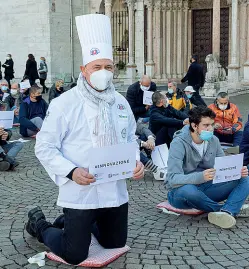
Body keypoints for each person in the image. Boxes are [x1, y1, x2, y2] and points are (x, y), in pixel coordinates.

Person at [25, 14, 144, 266]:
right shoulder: (64, 104)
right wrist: (71, 172)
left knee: (115, 243)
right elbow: (44, 146)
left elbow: (130, 138)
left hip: (113, 189)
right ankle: (41, 226)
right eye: (96, 67)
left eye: (108, 67)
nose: (104, 73)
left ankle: (73, 225)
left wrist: (136, 161)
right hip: (81, 188)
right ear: (84, 70)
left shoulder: (120, 102)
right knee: (75, 253)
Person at [165, 106, 249, 229]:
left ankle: (227, 212)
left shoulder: (214, 140)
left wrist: (236, 172)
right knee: (189, 191)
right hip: (180, 193)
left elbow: (223, 167)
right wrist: (201, 176)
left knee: (245, 178)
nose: (210, 129)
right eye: (206, 125)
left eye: (212, 124)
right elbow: (172, 179)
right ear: (194, 126)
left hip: (206, 189)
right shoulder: (178, 143)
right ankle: (227, 209)